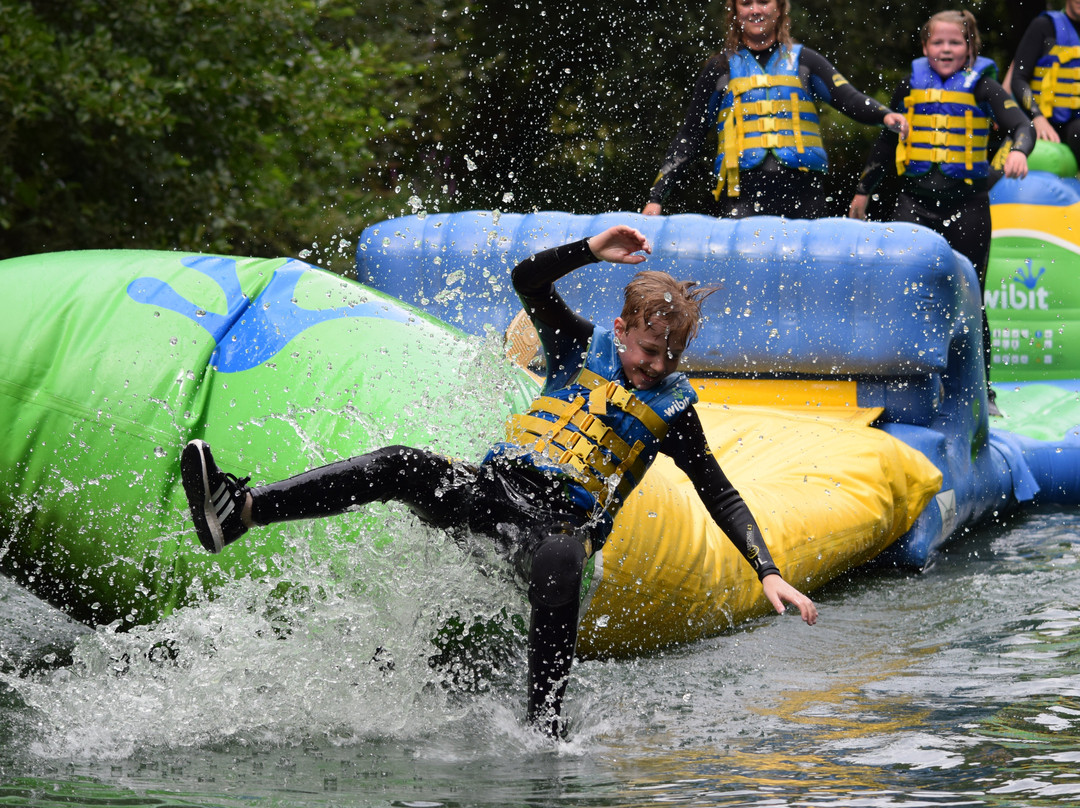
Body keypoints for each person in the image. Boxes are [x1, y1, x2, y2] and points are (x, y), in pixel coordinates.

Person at [179, 224, 818, 738]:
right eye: (645, 352)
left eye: (666, 359)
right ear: (620, 331)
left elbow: (720, 491)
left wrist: (765, 569)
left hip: (556, 532)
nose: (653, 367)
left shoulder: (675, 413)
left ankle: (544, 724)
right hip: (490, 490)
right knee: (401, 462)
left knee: (567, 556)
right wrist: (590, 250)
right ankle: (241, 512)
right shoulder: (575, 345)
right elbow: (526, 279)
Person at [848, 10, 1035, 416]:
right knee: (906, 296)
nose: (946, 50)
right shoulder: (909, 87)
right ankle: (904, 388)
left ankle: (984, 393)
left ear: (970, 48)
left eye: (955, 42)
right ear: (924, 47)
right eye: (938, 42)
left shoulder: (984, 88)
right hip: (913, 204)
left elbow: (1023, 126)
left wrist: (1017, 150)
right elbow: (885, 143)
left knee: (971, 298)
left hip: (967, 207)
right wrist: (863, 192)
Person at [642, 0, 907, 220]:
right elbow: (690, 135)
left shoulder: (805, 61)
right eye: (746, 3)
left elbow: (847, 97)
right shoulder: (720, 67)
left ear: (779, 9)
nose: (755, 9)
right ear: (735, 12)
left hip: (804, 194)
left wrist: (884, 114)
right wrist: (656, 197)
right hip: (742, 197)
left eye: (763, 2)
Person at [1010, 0, 1080, 169]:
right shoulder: (1043, 26)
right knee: (996, 174)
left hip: (1075, 125)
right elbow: (1018, 79)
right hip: (1038, 120)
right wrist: (1038, 117)